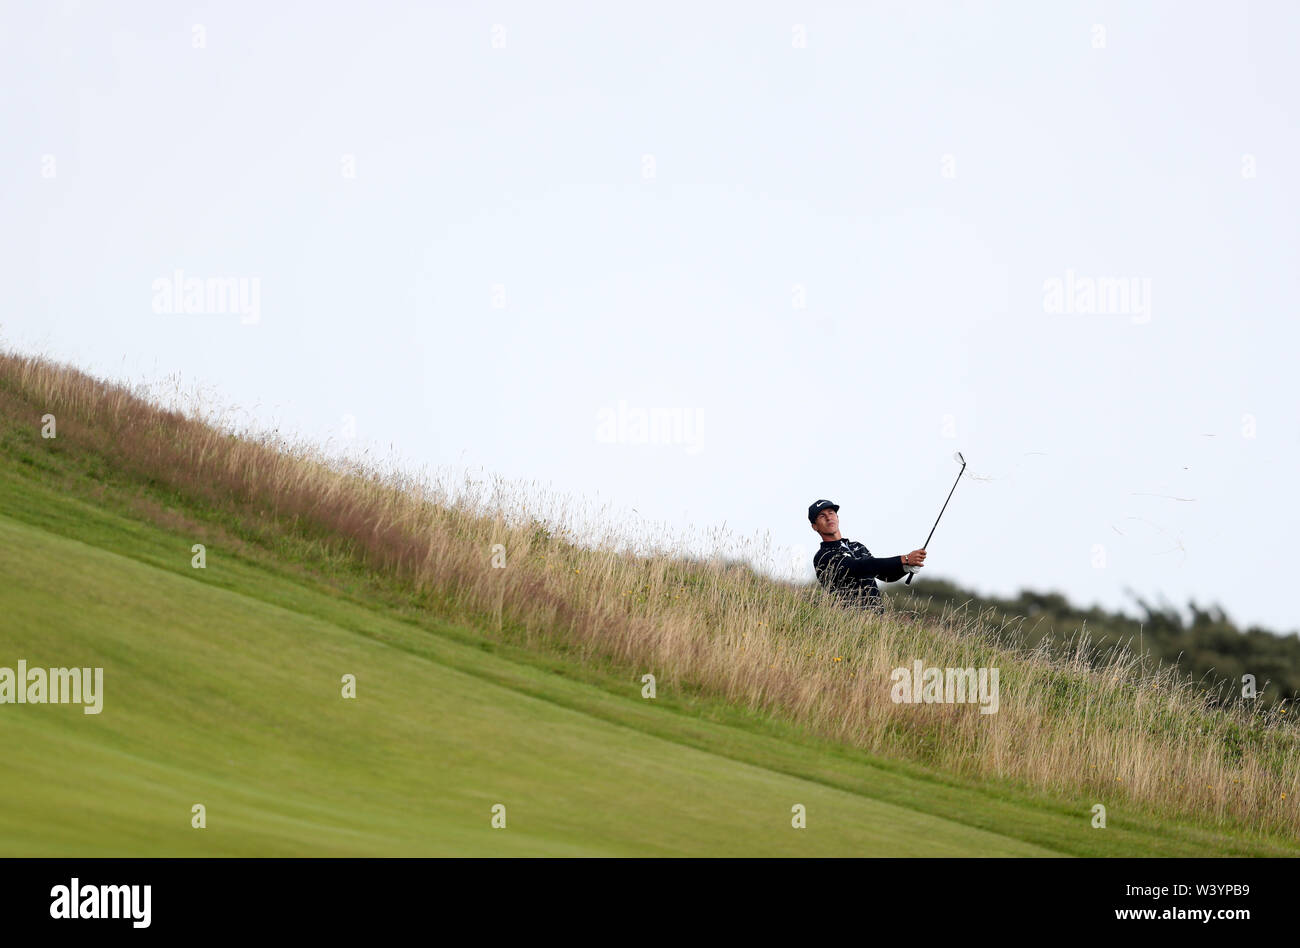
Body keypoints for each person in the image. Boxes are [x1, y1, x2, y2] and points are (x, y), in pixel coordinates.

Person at [808, 499, 926, 613]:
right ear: (815, 526)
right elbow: (860, 567)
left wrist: (905, 568)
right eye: (822, 516)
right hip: (848, 620)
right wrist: (904, 559)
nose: (829, 518)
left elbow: (884, 575)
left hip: (875, 620)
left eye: (831, 513)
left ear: (837, 518)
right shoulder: (823, 556)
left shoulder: (857, 547)